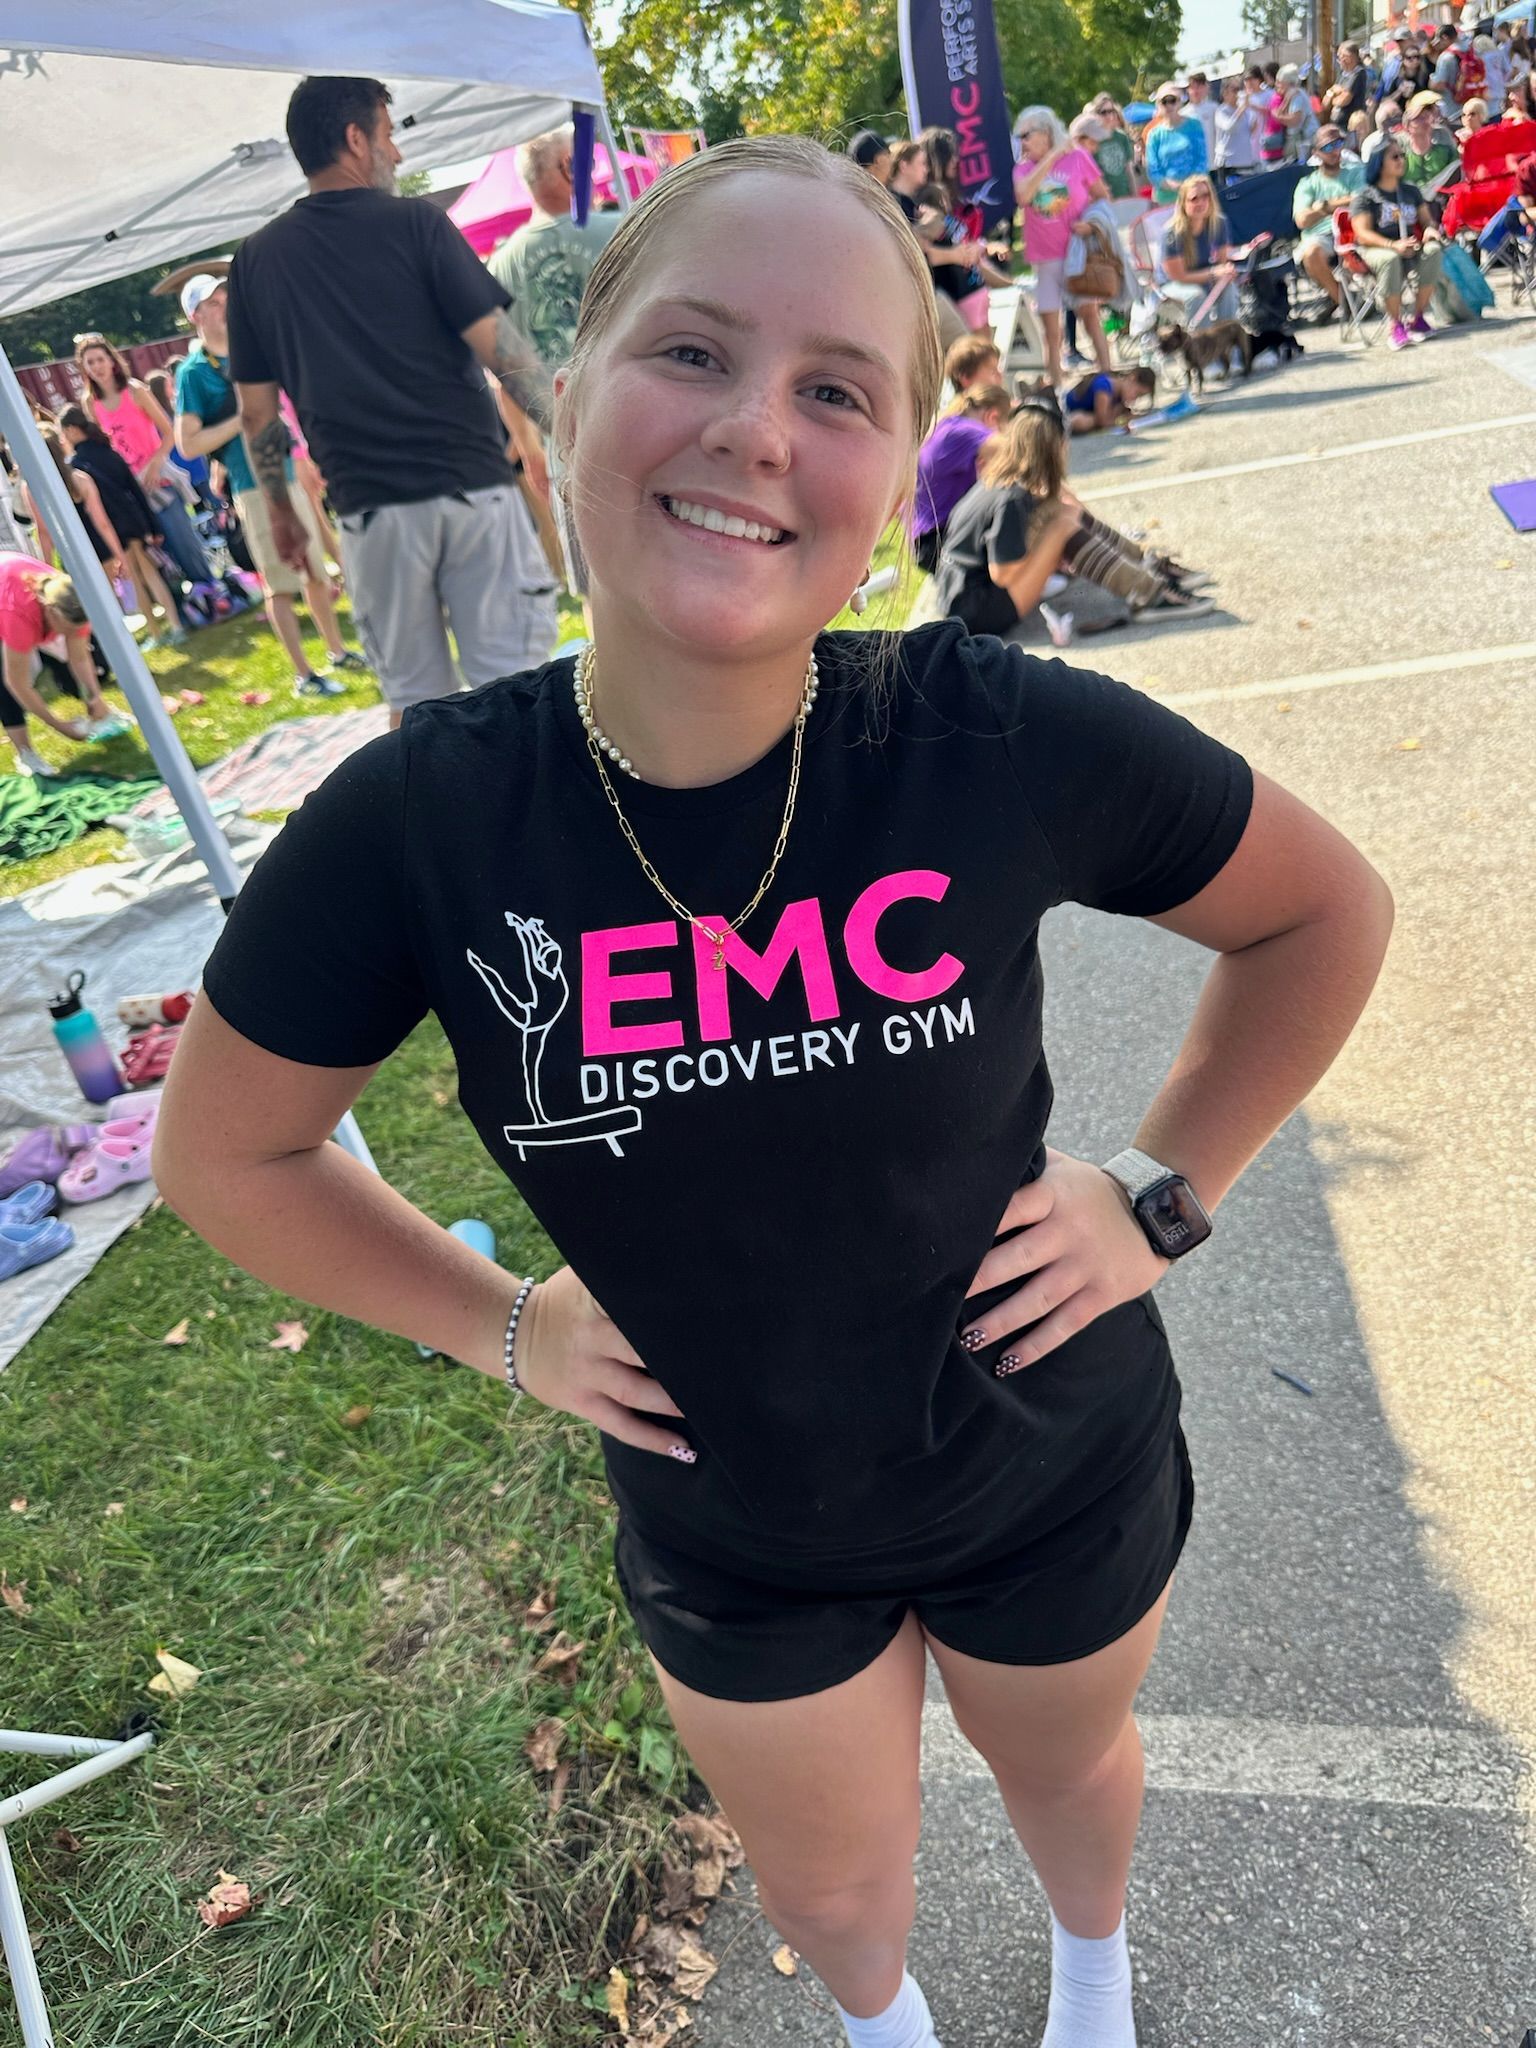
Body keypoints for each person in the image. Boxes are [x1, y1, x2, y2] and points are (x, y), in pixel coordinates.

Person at [153, 134, 1394, 2048]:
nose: (753, 430)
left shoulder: (982, 731)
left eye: (835, 390)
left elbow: (1322, 911)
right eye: (692, 352)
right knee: (830, 1889)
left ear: (899, 463)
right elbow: (225, 1150)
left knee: (1072, 1778)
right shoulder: (420, 820)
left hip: (1043, 1457)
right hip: (733, 1515)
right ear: (564, 397)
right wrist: (499, 1328)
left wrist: (1159, 1190)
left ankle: (1090, 1977)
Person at [227, 74, 559, 729]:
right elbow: (506, 353)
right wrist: (569, 432)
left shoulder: (255, 262)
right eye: (389, 135)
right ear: (355, 138)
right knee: (517, 694)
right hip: (471, 492)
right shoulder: (416, 223)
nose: (398, 155)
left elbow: (257, 415)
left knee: (415, 711)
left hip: (370, 512)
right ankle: (535, 824)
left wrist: (281, 512)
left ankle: (440, 828)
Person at [175, 276, 368, 699]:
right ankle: (304, 675)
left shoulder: (249, 353)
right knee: (279, 583)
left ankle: (336, 652)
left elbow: (279, 412)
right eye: (213, 301)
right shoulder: (193, 374)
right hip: (253, 488)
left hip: (286, 475)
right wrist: (241, 419)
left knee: (316, 572)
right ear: (195, 316)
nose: (224, 304)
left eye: (226, 296)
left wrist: (300, 459)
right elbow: (187, 443)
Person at [936, 400, 1213, 638]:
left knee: (1065, 513)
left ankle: (1146, 566)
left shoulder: (999, 479)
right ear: (1053, 447)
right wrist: (1047, 554)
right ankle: (1147, 595)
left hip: (960, 597)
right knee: (1062, 528)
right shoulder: (1012, 497)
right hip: (976, 610)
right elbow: (1003, 573)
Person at [73, 334, 216, 591]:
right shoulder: (90, 404)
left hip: (156, 478)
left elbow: (170, 431)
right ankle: (183, 602)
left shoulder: (135, 391)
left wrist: (154, 464)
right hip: (128, 488)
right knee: (157, 549)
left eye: (100, 359)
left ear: (112, 361)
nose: (96, 366)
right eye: (90, 362)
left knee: (182, 539)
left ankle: (209, 589)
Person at [54, 404, 185, 647]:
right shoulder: (109, 452)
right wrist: (151, 525)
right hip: (134, 520)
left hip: (113, 527)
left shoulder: (77, 466)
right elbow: (135, 490)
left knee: (135, 578)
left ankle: (156, 633)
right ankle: (176, 625)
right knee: (150, 573)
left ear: (72, 430)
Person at [1013, 108, 1113, 386]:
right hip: (1046, 259)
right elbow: (1023, 196)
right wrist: (1051, 157)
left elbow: (1102, 197)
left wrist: (1092, 225)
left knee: (1090, 315)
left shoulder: (1078, 158)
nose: (1022, 141)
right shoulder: (1022, 168)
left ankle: (1108, 378)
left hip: (1078, 253)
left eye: (1026, 135)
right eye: (1019, 136)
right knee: (1050, 330)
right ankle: (1057, 391)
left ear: (1046, 133)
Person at [0, 556, 123, 775]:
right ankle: (26, 754)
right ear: (49, 611)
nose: (72, 635)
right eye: (67, 629)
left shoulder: (73, 600)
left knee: (72, 671)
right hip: (7, 601)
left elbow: (80, 658)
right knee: (4, 681)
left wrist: (94, 698)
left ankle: (102, 713)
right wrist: (59, 725)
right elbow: (17, 682)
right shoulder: (18, 615)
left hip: (14, 583)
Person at [1349, 143, 1444, 349]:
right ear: (1379, 164)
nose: (1401, 160)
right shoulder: (1365, 196)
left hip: (1409, 245)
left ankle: (1417, 319)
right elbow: (1362, 234)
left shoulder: (1410, 191)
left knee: (1433, 251)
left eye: (1402, 155)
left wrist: (1429, 231)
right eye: (1395, 157)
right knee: (1389, 259)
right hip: (1375, 249)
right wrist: (1393, 245)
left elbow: (1426, 221)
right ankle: (1396, 324)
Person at [910, 381, 1011, 571]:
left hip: (924, 541)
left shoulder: (945, 425)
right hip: (940, 541)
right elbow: (1023, 454)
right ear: (992, 417)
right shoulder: (966, 432)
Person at [1292, 126, 1367, 321]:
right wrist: (1342, 202)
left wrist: (1324, 207)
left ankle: (1344, 301)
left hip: (1352, 230)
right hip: (1320, 236)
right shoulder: (1307, 183)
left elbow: (1362, 200)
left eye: (1339, 143)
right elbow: (1301, 220)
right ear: (1316, 153)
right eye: (1327, 147)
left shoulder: (1356, 172)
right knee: (1310, 254)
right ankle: (1347, 301)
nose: (1335, 151)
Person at [1161, 175, 1239, 324]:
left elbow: (1223, 262)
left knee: (1228, 287)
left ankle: (1226, 338)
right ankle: (1201, 344)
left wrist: (1226, 271)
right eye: (1194, 198)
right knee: (1195, 296)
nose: (1201, 202)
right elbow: (1179, 277)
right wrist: (1213, 274)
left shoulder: (1219, 223)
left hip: (1205, 279)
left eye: (1206, 196)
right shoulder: (1172, 233)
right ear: (1183, 203)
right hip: (1173, 285)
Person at [1144, 84, 1207, 203]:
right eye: (1164, 101)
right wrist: (1171, 185)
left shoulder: (1195, 126)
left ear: (1180, 102)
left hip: (1196, 196)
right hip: (1165, 199)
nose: (1169, 105)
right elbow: (1152, 169)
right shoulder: (1154, 135)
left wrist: (1189, 185)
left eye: (1172, 100)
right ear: (1158, 104)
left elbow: (1202, 161)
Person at [1062, 365, 1157, 434]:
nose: (1134, 400)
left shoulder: (1120, 395)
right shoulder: (1105, 386)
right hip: (1060, 408)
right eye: (1137, 394)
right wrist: (1122, 421)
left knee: (1087, 420)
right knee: (1082, 421)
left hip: (1081, 412)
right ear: (1132, 378)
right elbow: (1102, 421)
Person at [1402, 91, 1461, 190]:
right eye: (1418, 118)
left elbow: (1455, 170)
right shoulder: (1401, 152)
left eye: (1427, 116)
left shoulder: (1444, 148)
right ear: (1408, 126)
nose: (1425, 122)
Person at [1320, 45, 1371, 154]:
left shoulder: (1358, 74)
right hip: (1338, 125)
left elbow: (1344, 100)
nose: (1339, 60)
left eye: (1341, 56)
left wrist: (1335, 95)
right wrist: (1333, 93)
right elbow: (1325, 103)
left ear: (1350, 57)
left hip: (1350, 127)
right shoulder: (1343, 75)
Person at [1088, 96, 1136, 198]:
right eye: (1103, 112)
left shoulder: (1121, 137)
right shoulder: (1092, 140)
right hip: (1103, 198)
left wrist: (1134, 192)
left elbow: (1129, 169)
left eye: (1111, 111)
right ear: (1095, 115)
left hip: (1124, 194)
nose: (1109, 115)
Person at [1214, 76, 1261, 175]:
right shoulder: (1221, 111)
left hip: (1245, 162)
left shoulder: (1245, 111)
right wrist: (1241, 109)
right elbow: (1229, 127)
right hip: (1229, 164)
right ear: (1225, 93)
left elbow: (1249, 132)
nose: (1238, 93)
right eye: (1234, 90)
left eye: (1239, 89)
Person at [1431, 27, 1464, 122]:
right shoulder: (1470, 50)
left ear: (1445, 38)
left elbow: (1439, 85)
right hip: (1470, 106)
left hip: (1451, 109)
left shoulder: (1446, 57)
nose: (1434, 43)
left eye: (1437, 39)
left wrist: (1431, 80)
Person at [1183, 73, 1218, 161]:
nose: (1195, 91)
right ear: (1188, 90)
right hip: (1193, 164)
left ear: (1205, 88)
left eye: (1198, 87)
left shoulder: (1214, 108)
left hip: (1213, 162)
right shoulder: (1183, 113)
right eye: (1192, 87)